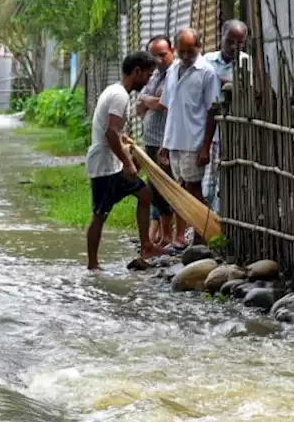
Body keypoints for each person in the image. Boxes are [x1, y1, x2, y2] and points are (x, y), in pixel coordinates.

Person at [86, 51, 164, 270]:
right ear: (136, 71)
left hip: (109, 163)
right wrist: (128, 163)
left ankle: (146, 245)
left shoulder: (116, 91)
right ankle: (92, 265)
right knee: (99, 215)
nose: (149, 80)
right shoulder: (119, 95)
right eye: (147, 75)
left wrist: (126, 145)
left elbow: (114, 132)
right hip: (104, 165)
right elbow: (110, 133)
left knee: (145, 194)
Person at [158, 28, 222, 245]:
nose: (185, 56)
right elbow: (171, 109)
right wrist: (165, 144)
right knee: (181, 189)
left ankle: (201, 237)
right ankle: (186, 237)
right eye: (182, 51)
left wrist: (205, 148)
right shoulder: (173, 70)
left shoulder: (207, 73)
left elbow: (213, 112)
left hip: (194, 142)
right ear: (175, 50)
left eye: (190, 52)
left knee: (194, 190)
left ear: (199, 48)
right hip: (175, 141)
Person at [201, 19, 250, 214]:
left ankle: (224, 216)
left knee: (230, 178)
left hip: (236, 131)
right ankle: (207, 218)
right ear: (221, 37)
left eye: (239, 42)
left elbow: (249, 90)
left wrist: (220, 81)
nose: (234, 47)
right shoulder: (207, 61)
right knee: (208, 179)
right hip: (209, 131)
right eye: (230, 41)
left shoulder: (247, 62)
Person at [136, 34, 178, 249]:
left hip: (166, 142)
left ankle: (170, 235)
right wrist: (146, 100)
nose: (159, 60)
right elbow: (138, 108)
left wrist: (146, 100)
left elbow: (163, 104)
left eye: (163, 55)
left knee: (166, 188)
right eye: (154, 57)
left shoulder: (174, 74)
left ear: (172, 52)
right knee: (154, 189)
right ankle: (164, 234)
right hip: (151, 139)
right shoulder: (154, 76)